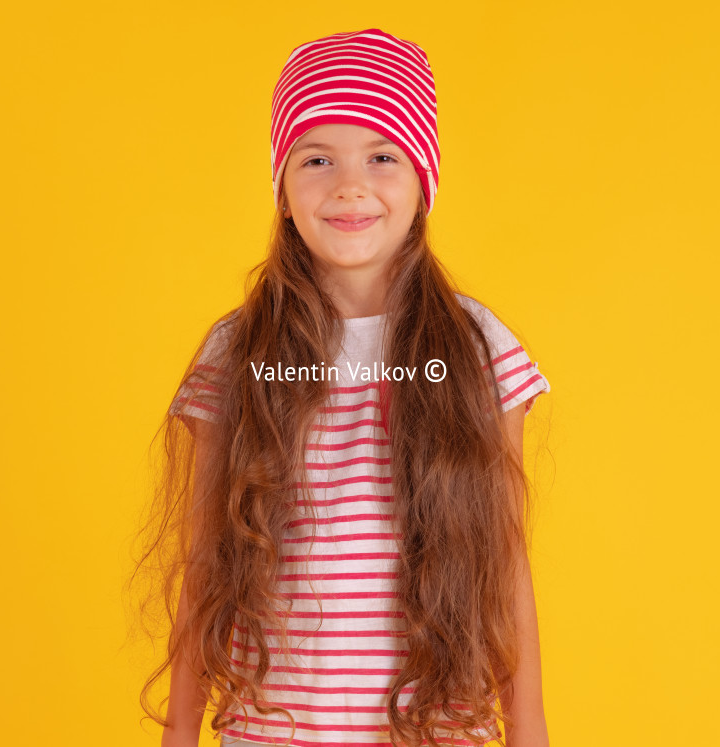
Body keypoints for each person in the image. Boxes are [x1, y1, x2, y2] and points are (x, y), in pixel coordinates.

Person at [133, 28, 552, 747]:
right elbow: (205, 565)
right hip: (274, 733)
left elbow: (505, 568)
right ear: (283, 190)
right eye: (317, 158)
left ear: (423, 182)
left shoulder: (479, 351)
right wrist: (176, 736)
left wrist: (531, 732)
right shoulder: (238, 355)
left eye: (382, 156)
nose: (350, 185)